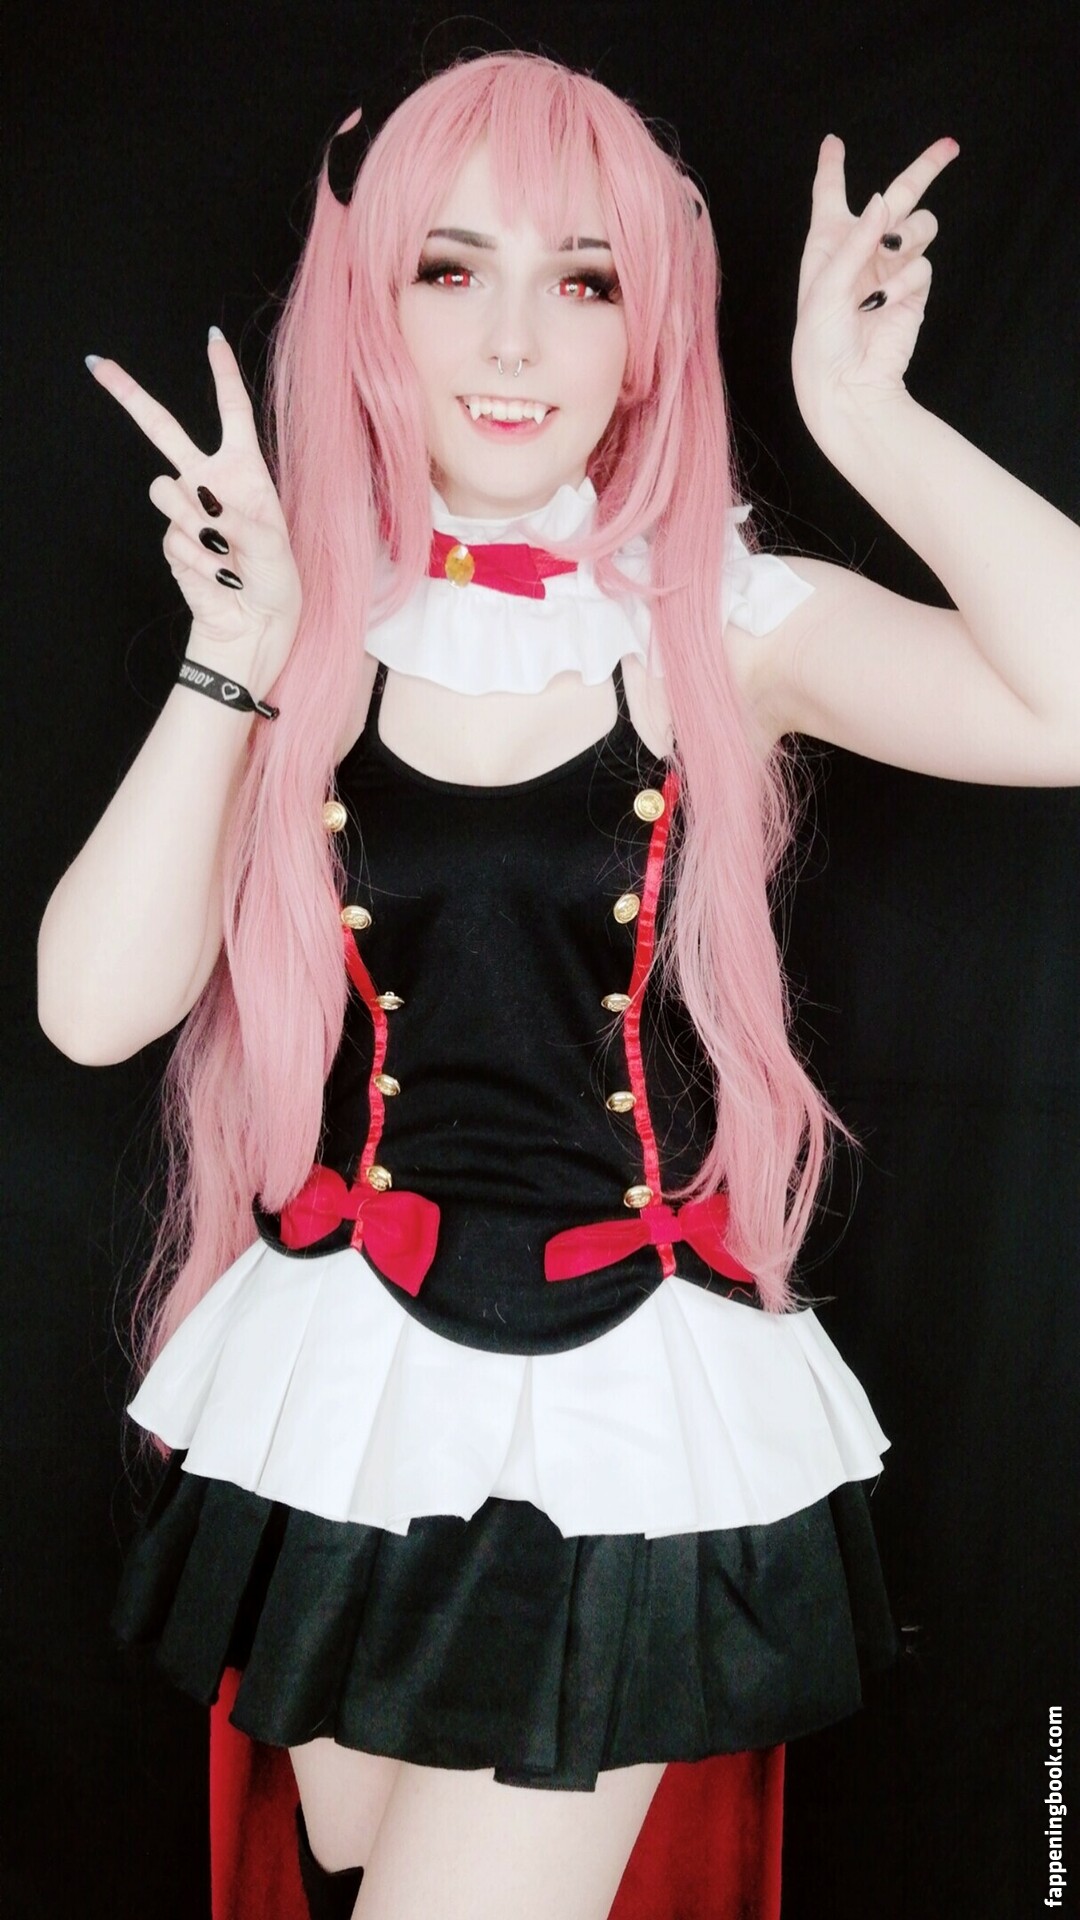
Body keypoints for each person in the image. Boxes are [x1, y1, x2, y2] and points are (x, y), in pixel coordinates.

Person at [37, 49, 1080, 1920]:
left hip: (624, 1404)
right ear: (369, 308)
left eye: (584, 278)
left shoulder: (723, 622)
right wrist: (235, 654)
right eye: (451, 268)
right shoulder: (306, 622)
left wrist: (868, 420)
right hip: (347, 1381)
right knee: (346, 1866)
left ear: (648, 327)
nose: (514, 339)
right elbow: (93, 1011)